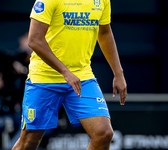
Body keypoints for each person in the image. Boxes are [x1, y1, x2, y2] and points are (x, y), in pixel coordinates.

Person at [12, 0, 127, 149]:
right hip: (44, 78)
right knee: (29, 141)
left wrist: (118, 73)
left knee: (103, 133)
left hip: (82, 77)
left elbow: (104, 32)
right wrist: (65, 71)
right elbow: (34, 40)